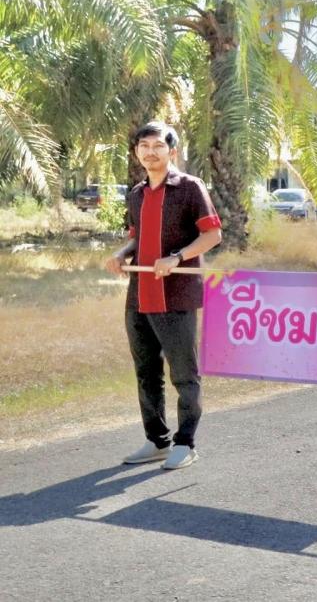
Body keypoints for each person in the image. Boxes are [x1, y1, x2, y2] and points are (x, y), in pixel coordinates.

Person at [104, 121, 223, 471]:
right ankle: (156, 440)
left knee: (184, 373)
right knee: (146, 371)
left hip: (176, 296)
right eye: (144, 146)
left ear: (172, 151)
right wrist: (123, 252)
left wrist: (177, 257)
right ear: (137, 152)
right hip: (139, 295)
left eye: (157, 146)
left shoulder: (189, 187)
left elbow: (212, 235)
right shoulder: (137, 192)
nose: (150, 152)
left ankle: (186, 443)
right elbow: (137, 236)